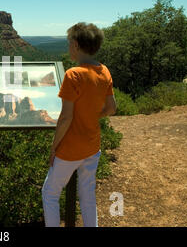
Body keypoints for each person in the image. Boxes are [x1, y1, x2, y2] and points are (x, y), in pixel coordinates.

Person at [41, 22, 117, 227]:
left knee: (50, 193)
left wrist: (54, 147)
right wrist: (91, 116)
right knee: (87, 195)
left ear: (75, 45)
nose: (68, 47)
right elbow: (111, 108)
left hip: (70, 149)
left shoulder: (73, 74)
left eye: (68, 43)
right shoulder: (104, 71)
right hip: (92, 146)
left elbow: (66, 117)